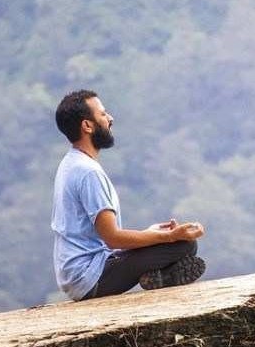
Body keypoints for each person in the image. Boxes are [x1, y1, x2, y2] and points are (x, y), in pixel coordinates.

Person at [51, 89, 206, 300]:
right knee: (185, 245)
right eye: (103, 115)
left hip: (80, 274)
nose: (110, 119)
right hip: (90, 278)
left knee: (169, 242)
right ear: (87, 125)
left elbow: (105, 239)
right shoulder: (89, 172)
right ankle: (162, 277)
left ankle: (161, 277)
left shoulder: (70, 163)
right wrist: (170, 236)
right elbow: (113, 238)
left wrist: (149, 234)